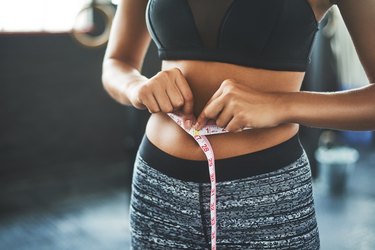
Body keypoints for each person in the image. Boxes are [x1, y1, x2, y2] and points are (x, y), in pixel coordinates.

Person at [101, 0, 375, 249]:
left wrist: (280, 105)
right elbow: (117, 62)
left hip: (266, 195)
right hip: (158, 187)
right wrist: (136, 88)